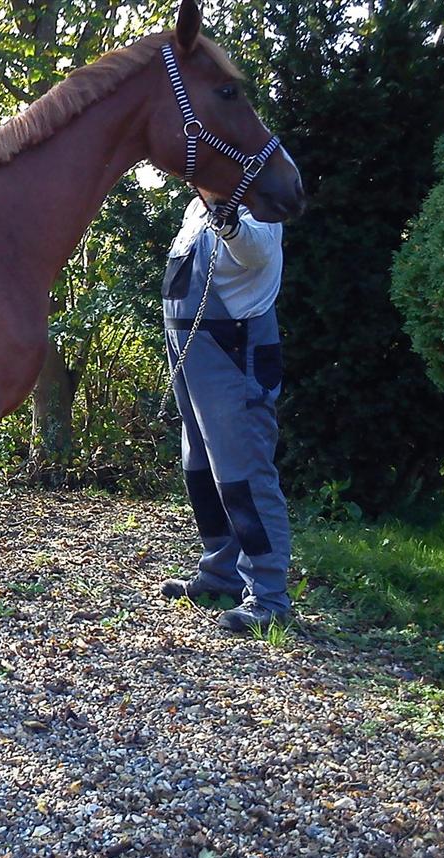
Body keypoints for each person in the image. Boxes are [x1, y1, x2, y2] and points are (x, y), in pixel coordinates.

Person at [159, 195, 292, 632]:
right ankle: (222, 573)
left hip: (234, 350)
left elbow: (257, 253)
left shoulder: (258, 201)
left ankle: (268, 596)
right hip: (190, 350)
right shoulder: (196, 206)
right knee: (199, 468)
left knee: (244, 475)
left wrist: (229, 220)